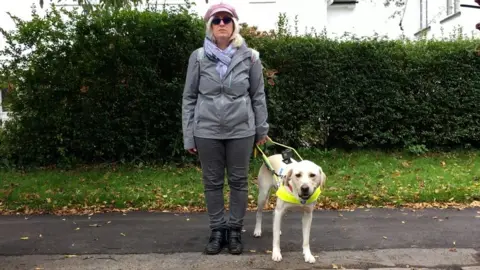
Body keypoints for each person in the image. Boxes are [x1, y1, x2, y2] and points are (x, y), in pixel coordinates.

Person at [181, 2, 269, 255]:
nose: (222, 24)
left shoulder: (250, 56)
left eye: (226, 20)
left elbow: (258, 95)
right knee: (212, 182)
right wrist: (189, 135)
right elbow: (189, 97)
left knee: (239, 182)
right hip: (206, 130)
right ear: (210, 26)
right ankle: (217, 230)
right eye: (216, 20)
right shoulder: (197, 57)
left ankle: (234, 231)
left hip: (241, 130)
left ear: (234, 25)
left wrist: (261, 129)